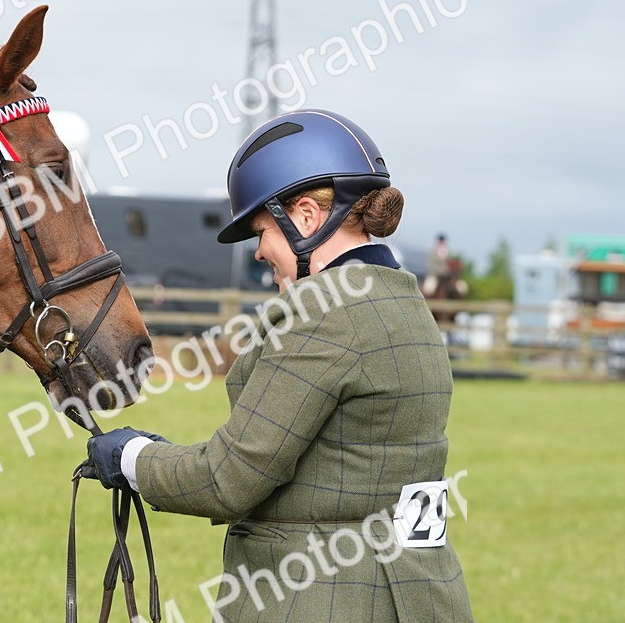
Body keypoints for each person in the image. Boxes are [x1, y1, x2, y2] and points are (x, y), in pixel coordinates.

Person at [85, 110, 473, 622]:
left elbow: (228, 479)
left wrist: (132, 457)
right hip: (421, 594)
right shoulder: (405, 300)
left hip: (325, 598)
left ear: (307, 217)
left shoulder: (326, 313)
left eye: (263, 231)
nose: (263, 252)